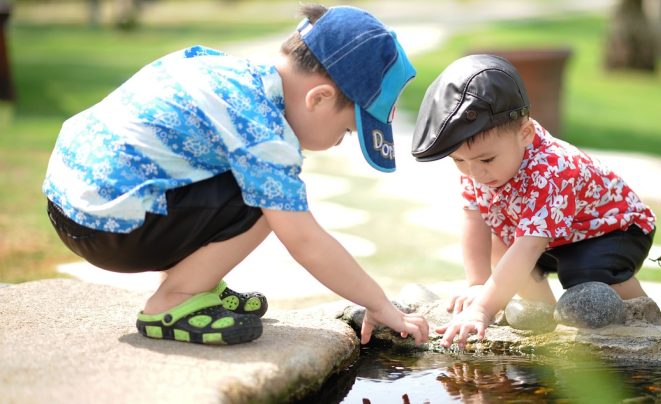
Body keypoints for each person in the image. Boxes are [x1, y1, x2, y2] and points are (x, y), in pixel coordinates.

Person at [43, 4, 428, 346]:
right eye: (346, 132)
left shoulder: (228, 72)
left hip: (72, 203)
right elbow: (305, 241)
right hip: (108, 228)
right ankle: (173, 302)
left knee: (250, 182)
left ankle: (197, 284)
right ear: (320, 98)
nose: (337, 143)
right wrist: (378, 303)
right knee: (270, 202)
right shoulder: (263, 131)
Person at [411, 54, 655, 348]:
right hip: (554, 236)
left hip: (614, 231)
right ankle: (543, 318)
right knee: (501, 242)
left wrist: (482, 309)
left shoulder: (552, 169)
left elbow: (530, 246)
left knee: (583, 274)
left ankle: (643, 316)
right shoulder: (479, 166)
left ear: (525, 134)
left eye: (486, 159)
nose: (474, 172)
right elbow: (474, 219)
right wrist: (478, 284)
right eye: (459, 161)